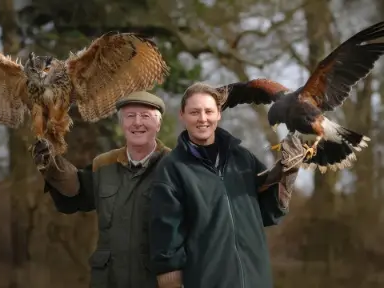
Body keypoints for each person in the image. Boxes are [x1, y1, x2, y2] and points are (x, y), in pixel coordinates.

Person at [148, 83, 306, 288]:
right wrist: (170, 278)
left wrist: (287, 178)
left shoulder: (243, 158)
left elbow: (268, 213)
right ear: (182, 115)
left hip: (255, 279)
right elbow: (165, 232)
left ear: (218, 114)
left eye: (208, 111)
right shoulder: (172, 168)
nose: (202, 118)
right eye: (194, 112)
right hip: (207, 280)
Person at [31, 91, 170, 288]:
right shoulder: (104, 164)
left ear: (158, 124)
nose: (137, 122)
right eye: (130, 116)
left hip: (155, 281)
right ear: (122, 124)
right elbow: (75, 194)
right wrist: (52, 165)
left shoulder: (175, 167)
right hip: (107, 281)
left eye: (146, 116)